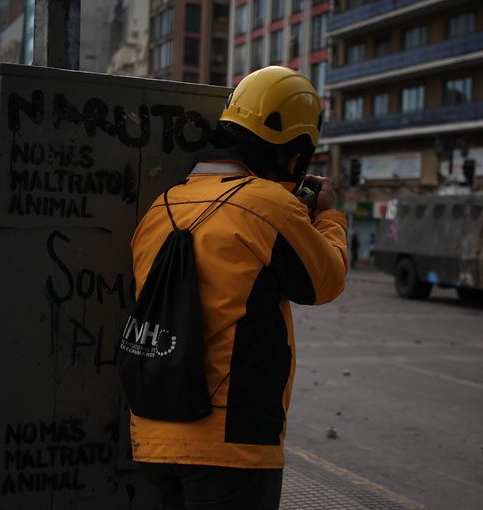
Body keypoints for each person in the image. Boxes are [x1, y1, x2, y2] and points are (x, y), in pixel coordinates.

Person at [128, 66, 348, 509]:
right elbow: (326, 281)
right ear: (294, 155)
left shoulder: (163, 204)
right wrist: (326, 216)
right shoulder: (270, 206)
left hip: (150, 434)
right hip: (232, 442)